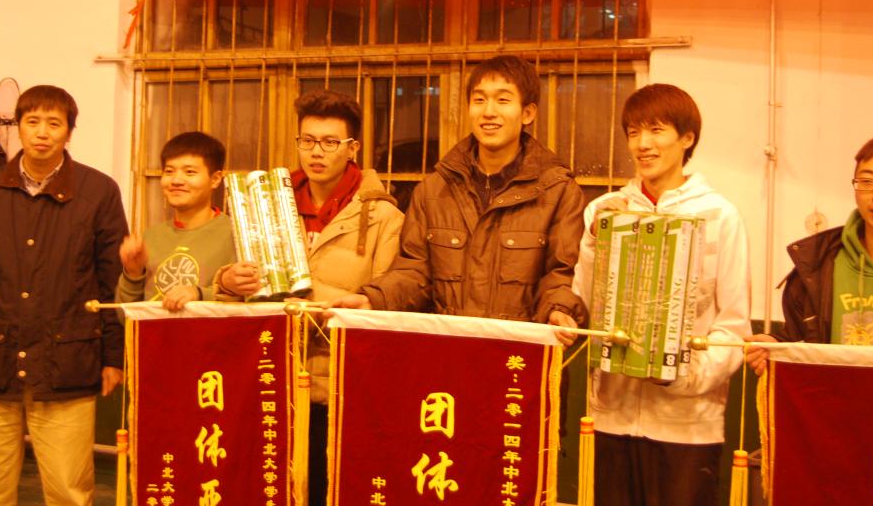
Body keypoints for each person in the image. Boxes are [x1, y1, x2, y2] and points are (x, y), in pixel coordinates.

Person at [0, 85, 128, 506]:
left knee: (68, 492)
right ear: (19, 127)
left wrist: (114, 357)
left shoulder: (99, 192)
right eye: (33, 121)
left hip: (68, 366)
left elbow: (111, 282)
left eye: (54, 123)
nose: (42, 132)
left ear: (69, 132)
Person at [218, 89, 404, 505]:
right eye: (307, 140)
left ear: (352, 148)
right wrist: (229, 282)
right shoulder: (265, 205)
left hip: (337, 390)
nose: (316, 152)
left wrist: (310, 296)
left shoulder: (384, 218)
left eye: (330, 142)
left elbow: (386, 309)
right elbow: (234, 300)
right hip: (268, 381)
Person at [571, 83, 751, 506]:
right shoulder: (604, 211)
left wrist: (685, 377)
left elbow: (734, 325)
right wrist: (597, 239)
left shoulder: (720, 216)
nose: (643, 144)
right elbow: (585, 302)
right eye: (634, 132)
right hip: (612, 416)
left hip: (688, 425)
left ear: (687, 138)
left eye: (656, 130)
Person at [336, 55, 585, 343]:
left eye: (503, 100)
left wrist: (559, 309)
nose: (488, 112)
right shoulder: (434, 190)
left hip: (518, 354)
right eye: (479, 100)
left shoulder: (557, 191)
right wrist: (373, 299)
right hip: (448, 352)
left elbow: (560, 275)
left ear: (527, 113)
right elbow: (415, 271)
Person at [746, 132, 873, 375]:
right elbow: (802, 343)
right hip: (837, 398)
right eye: (866, 181)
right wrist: (777, 346)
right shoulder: (816, 266)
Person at [117, 131, 239, 311]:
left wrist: (200, 294)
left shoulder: (236, 235)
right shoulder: (151, 236)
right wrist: (133, 273)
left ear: (215, 179)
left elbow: (253, 304)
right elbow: (126, 317)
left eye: (190, 172)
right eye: (169, 171)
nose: (176, 180)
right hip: (154, 331)